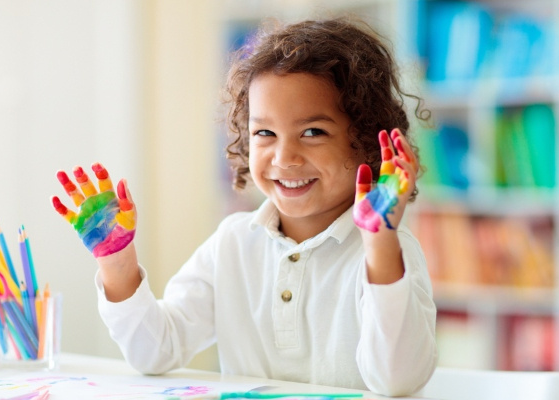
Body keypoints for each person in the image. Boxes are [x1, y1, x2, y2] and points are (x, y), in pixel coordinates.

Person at [51, 16, 437, 397]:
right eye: (264, 133)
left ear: (368, 140)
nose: (284, 158)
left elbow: (397, 381)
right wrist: (117, 262)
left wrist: (380, 245)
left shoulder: (391, 252)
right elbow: (154, 351)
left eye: (313, 132)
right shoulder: (232, 243)